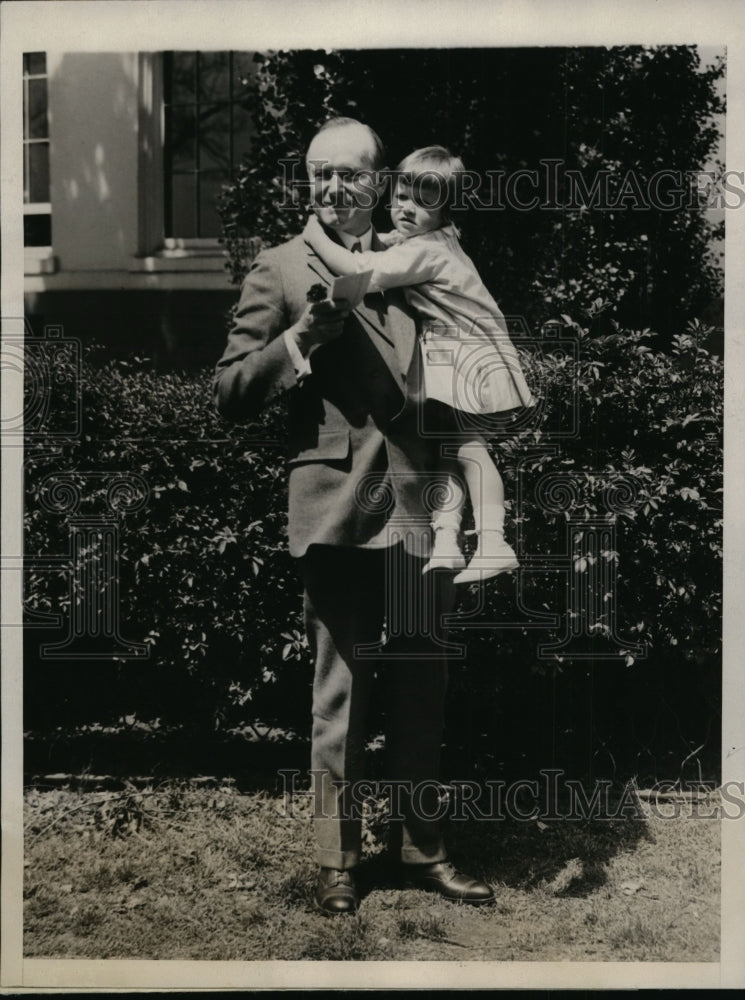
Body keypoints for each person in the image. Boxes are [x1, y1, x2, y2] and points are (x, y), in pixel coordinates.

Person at [213, 118, 494, 915]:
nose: (333, 188)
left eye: (350, 176)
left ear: (379, 183)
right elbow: (230, 393)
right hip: (337, 508)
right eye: (319, 173)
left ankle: (420, 849)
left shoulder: (416, 257)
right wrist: (301, 335)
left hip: (419, 506)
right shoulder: (279, 267)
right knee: (339, 693)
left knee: (420, 684)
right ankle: (336, 860)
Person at [303, 145, 535, 586]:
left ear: (444, 212)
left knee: (470, 449)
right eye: (402, 197)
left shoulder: (425, 253)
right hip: (462, 354)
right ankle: (447, 540)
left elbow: (358, 270)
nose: (407, 210)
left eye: (424, 205)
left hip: (468, 357)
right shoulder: (437, 240)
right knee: (451, 451)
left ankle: (494, 543)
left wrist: (316, 235)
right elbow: (400, 245)